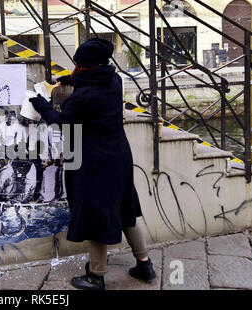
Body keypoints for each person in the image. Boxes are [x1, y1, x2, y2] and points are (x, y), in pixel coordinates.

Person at [29, 38, 156, 290]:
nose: (75, 68)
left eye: (78, 66)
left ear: (86, 67)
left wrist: (40, 103)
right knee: (125, 209)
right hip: (120, 156)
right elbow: (93, 81)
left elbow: (61, 120)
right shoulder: (114, 81)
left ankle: (96, 276)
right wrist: (69, 81)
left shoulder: (83, 97)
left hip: (96, 161)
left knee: (97, 214)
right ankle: (145, 264)